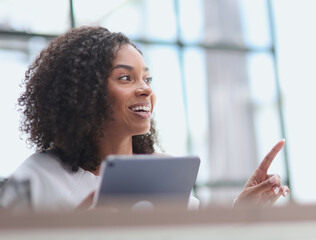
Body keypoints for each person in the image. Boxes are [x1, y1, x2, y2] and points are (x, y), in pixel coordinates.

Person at [0, 26, 289, 212]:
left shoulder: (163, 173)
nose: (145, 89)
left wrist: (240, 212)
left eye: (147, 78)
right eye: (126, 78)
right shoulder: (40, 176)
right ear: (84, 93)